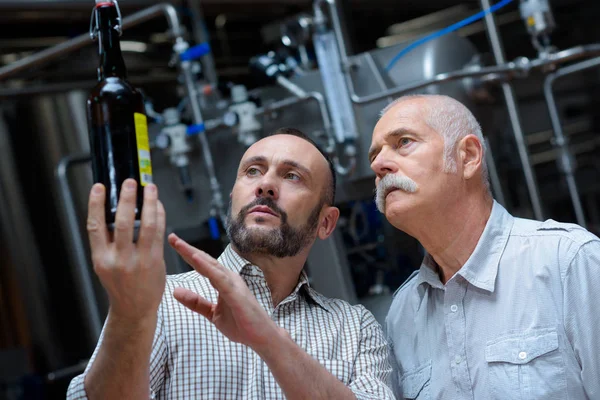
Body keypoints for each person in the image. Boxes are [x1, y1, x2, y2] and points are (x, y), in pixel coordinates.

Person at [66, 127, 394, 400]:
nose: (264, 185)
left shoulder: (354, 328)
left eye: (292, 176)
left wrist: (268, 339)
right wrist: (129, 316)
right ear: (233, 197)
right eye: (253, 170)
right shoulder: (161, 302)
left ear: (326, 223)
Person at [369, 94, 600, 399]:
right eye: (374, 155)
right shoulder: (403, 313)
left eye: (403, 142)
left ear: (467, 156)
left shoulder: (567, 262)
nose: (380, 164)